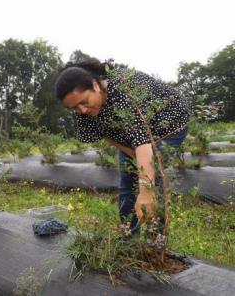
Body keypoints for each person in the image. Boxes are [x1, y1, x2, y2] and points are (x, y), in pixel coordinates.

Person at [55, 60, 191, 233]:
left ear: (96, 85)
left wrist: (146, 191)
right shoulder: (84, 111)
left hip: (169, 124)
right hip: (132, 135)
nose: (82, 110)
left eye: (84, 102)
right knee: (127, 182)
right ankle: (129, 237)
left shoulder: (123, 89)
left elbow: (143, 144)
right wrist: (130, 152)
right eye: (75, 108)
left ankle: (156, 240)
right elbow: (104, 134)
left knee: (152, 179)